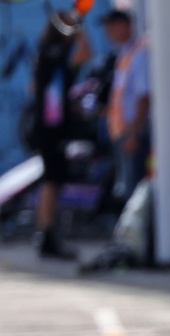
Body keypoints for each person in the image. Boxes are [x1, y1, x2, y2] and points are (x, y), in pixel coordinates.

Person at [29, 11, 92, 260]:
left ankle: (48, 233)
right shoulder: (52, 53)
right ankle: (46, 235)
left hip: (52, 127)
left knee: (54, 181)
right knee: (52, 180)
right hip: (50, 128)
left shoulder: (52, 56)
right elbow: (86, 51)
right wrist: (78, 31)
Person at [103, 8, 149, 205]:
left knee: (134, 190)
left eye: (112, 26)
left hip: (132, 134)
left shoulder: (140, 53)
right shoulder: (125, 54)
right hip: (122, 133)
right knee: (127, 188)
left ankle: (138, 234)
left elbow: (144, 96)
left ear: (126, 26)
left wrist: (134, 133)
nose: (108, 32)